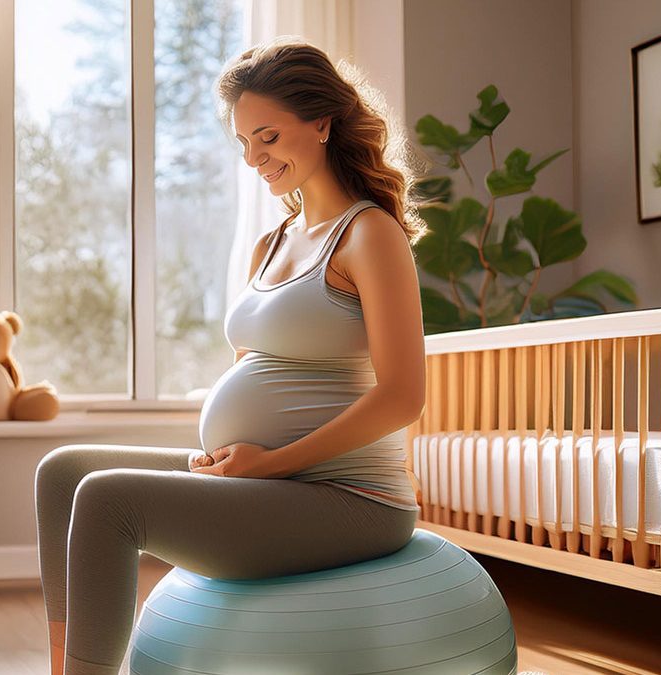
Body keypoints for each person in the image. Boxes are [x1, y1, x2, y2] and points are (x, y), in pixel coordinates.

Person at [34, 36, 427, 675]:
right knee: (65, 469)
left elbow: (404, 396)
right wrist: (225, 458)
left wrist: (271, 464)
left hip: (348, 497)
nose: (254, 158)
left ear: (322, 122)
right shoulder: (271, 243)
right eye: (244, 141)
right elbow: (260, 368)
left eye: (267, 137)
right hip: (266, 479)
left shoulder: (369, 234)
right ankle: (62, 665)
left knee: (108, 498)